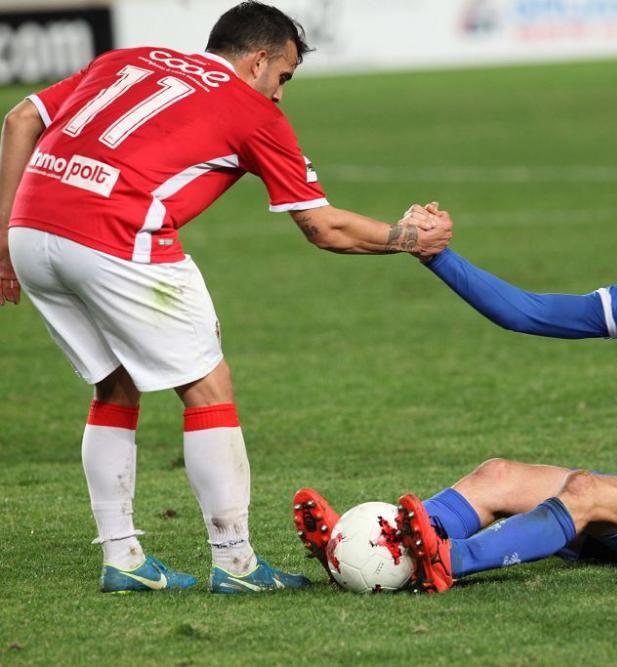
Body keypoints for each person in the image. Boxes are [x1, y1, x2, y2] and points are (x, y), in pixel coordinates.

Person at [0, 1, 450, 594]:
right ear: (260, 59)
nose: (282, 95)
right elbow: (322, 227)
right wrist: (408, 237)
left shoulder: (127, 59)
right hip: (118, 234)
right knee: (208, 388)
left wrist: (5, 241)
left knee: (114, 384)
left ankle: (123, 558)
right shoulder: (252, 111)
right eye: (284, 77)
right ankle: (236, 564)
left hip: (32, 229)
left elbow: (18, 121)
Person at [295, 196, 617, 593]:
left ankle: (445, 562)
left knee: (585, 492)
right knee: (496, 475)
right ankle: (368, 545)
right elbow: (523, 312)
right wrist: (434, 255)